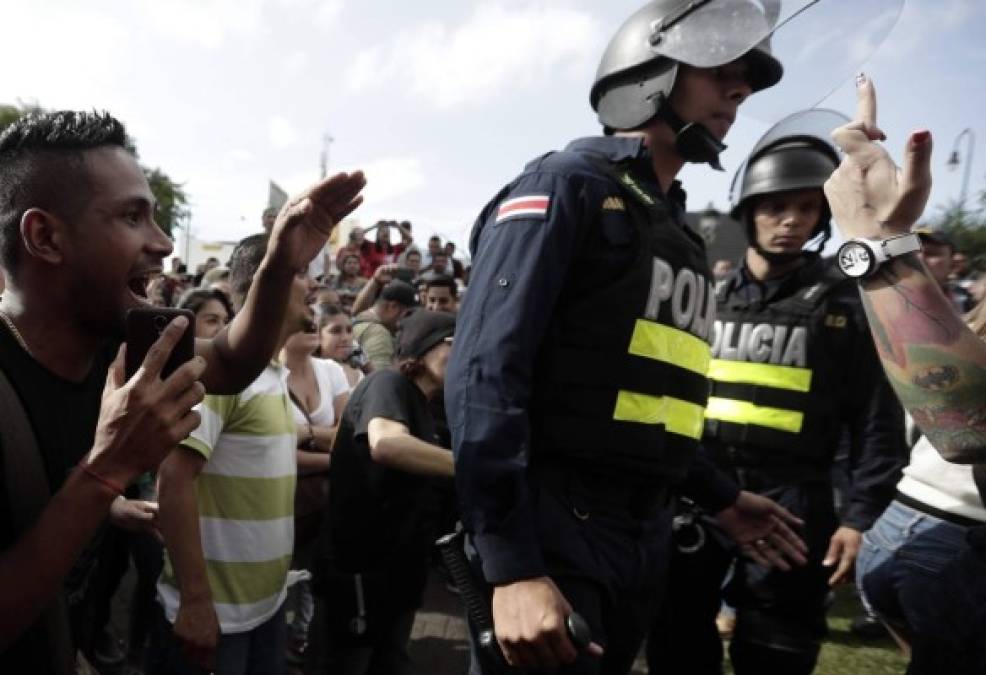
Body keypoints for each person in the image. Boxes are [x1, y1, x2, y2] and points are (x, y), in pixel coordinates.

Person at [445, 3, 810, 672]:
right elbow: (483, 377)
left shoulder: (679, 231)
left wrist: (720, 495)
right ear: (645, 75)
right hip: (555, 529)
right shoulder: (565, 185)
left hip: (645, 533)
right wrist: (511, 564)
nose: (740, 90)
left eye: (745, 79)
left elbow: (650, 399)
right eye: (719, 69)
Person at [0, 109, 365, 671]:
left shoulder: (114, 352)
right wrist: (106, 472)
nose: (165, 244)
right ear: (45, 236)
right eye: (132, 217)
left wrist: (275, 266)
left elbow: (230, 361)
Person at [649, 110, 905, 674]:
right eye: (776, 206)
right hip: (702, 492)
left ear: (821, 218)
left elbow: (876, 420)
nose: (790, 220)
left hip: (794, 501)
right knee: (676, 638)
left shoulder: (845, 304)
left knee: (778, 648)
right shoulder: (702, 295)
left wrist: (858, 519)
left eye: (807, 208)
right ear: (750, 211)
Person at [824, 75, 986, 673]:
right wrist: (880, 243)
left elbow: (969, 426)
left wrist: (877, 243)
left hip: (925, 533)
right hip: (943, 541)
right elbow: (968, 424)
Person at [151, 234, 326, 674]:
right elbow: (173, 481)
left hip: (263, 611)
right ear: (270, 281)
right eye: (302, 273)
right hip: (214, 621)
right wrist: (194, 601)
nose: (316, 287)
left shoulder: (270, 375)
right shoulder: (220, 374)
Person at [306, 310, 455, 674]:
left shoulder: (430, 405)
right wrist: (471, 466)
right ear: (419, 353)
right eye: (452, 342)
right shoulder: (388, 384)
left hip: (399, 572)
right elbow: (387, 445)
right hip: (359, 574)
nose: (465, 350)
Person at [352, 280, 417, 372]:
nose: (410, 319)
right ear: (393, 307)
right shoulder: (378, 333)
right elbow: (381, 378)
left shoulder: (360, 320)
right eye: (408, 314)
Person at [911, 225, 973, 312]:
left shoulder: (964, 303)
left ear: (953, 265)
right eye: (911, 253)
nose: (919, 259)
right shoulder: (888, 304)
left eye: (931, 253)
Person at [316, 303, 364, 389]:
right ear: (317, 335)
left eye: (349, 331)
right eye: (336, 331)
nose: (345, 338)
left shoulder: (359, 375)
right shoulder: (310, 374)